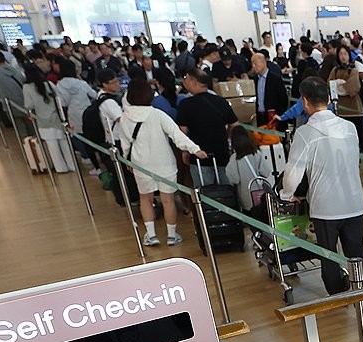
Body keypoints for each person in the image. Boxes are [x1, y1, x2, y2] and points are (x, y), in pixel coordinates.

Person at [281, 77, 363, 298]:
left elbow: (292, 173)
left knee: (328, 255)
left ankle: (338, 295)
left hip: (325, 207)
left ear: (305, 102)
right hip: (354, 202)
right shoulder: (349, 128)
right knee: (357, 254)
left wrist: (286, 194)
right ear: (329, 99)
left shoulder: (304, 134)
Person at [116, 80, 206, 247]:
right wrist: (195, 150)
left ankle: (151, 235)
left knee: (146, 199)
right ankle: (172, 235)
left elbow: (125, 144)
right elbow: (176, 135)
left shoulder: (124, 119)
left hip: (140, 163)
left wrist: (127, 160)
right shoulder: (158, 114)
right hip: (164, 162)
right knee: (168, 200)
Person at [177, 68, 238, 186]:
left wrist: (184, 151)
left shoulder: (186, 104)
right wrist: (228, 138)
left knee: (204, 193)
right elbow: (235, 124)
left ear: (194, 82)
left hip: (199, 156)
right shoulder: (221, 101)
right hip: (222, 153)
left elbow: (182, 132)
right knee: (226, 192)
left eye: (186, 79)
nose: (184, 82)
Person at [21, 63, 71, 170]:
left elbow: (28, 105)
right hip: (57, 119)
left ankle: (61, 168)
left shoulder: (27, 87)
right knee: (64, 144)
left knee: (53, 147)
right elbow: (59, 98)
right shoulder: (48, 84)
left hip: (43, 121)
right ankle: (72, 165)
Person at [224, 125, 276, 213]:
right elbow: (266, 172)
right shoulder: (257, 153)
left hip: (246, 197)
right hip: (261, 195)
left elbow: (234, 179)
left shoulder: (235, 158)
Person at [328, 46, 363, 149]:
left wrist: (339, 86)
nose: (343, 57)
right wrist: (340, 84)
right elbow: (330, 85)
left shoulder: (353, 70)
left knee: (354, 138)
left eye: (345, 54)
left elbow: (352, 88)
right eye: (341, 54)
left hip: (354, 110)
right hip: (339, 110)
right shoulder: (335, 70)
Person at [251, 51, 289, 124]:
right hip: (260, 117)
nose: (253, 66)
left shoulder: (275, 79)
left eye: (255, 63)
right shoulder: (255, 80)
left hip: (274, 118)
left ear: (263, 62)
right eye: (252, 64)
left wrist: (279, 116)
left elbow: (284, 100)